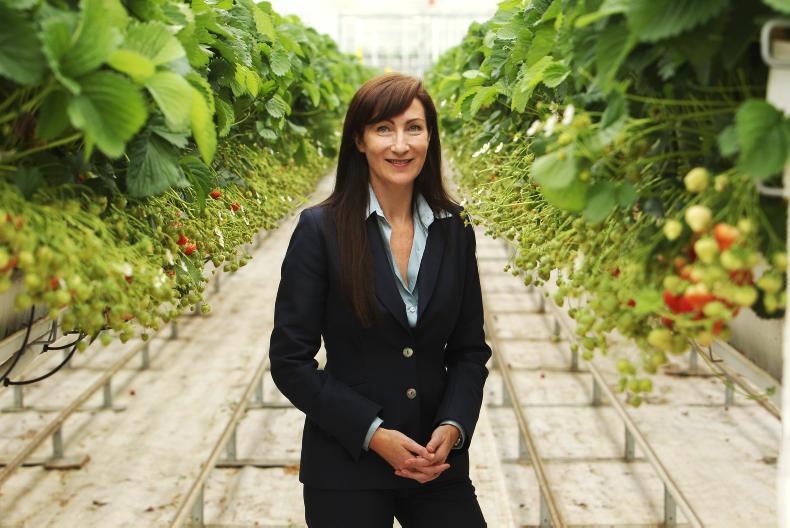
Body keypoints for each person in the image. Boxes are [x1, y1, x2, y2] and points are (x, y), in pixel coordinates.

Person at [268, 72, 491, 527]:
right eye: (383, 129)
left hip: (435, 464)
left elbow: (469, 350)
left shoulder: (455, 228)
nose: (400, 145)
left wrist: (453, 426)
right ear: (359, 139)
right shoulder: (320, 230)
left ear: (431, 136)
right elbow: (290, 361)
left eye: (414, 128)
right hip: (346, 464)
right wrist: (373, 433)